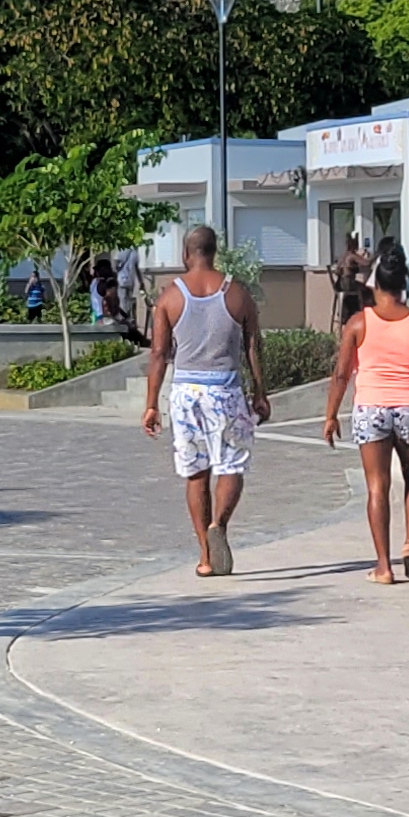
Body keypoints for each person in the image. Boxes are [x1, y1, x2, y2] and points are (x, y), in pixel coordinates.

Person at [324, 237, 409, 583]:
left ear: (376, 283)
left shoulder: (358, 323)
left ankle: (383, 566)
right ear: (403, 284)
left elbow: (341, 374)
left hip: (371, 409)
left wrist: (330, 415)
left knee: (376, 487)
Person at [141, 223, 270, 577]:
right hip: (225, 391)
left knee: (196, 474)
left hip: (185, 393)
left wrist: (151, 402)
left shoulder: (169, 297)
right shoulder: (237, 293)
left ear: (186, 254)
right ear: (215, 252)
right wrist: (260, 390)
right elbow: (252, 345)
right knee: (231, 465)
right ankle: (220, 526)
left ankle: (205, 556)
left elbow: (158, 353)